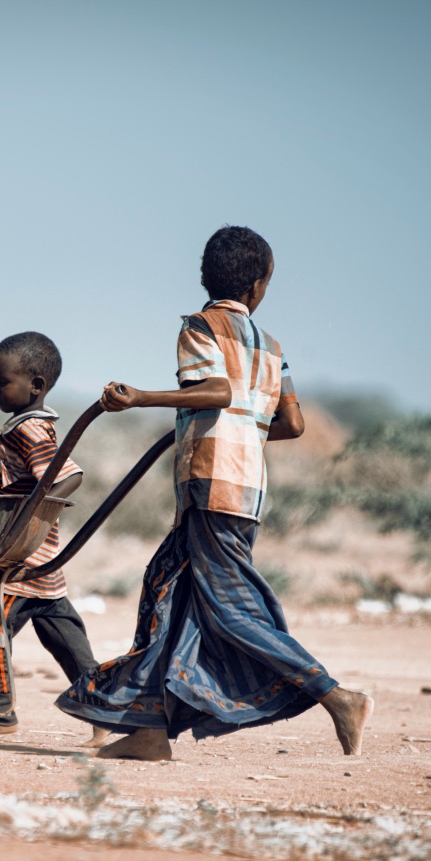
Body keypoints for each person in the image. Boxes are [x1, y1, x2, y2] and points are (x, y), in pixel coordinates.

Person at [55, 226, 373, 760]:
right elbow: (291, 424)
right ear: (258, 285)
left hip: (211, 480)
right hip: (244, 486)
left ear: (207, 277)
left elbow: (217, 390)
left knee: (231, 609)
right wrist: (246, 429)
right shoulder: (271, 346)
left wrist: (141, 399)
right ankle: (151, 731)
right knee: (168, 588)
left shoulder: (201, 326)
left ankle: (336, 696)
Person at [0, 332, 109, 746]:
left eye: (3, 382)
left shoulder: (30, 431)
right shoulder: (25, 426)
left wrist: (31, 518)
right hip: (41, 564)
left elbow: (68, 476)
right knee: (69, 645)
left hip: (20, 562)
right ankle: (107, 714)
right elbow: (24, 466)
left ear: (36, 386)